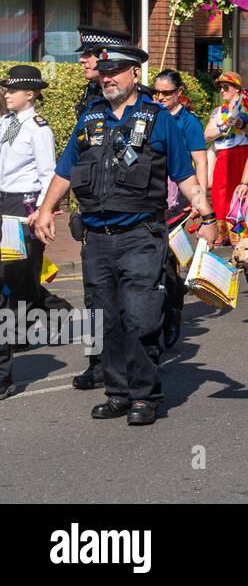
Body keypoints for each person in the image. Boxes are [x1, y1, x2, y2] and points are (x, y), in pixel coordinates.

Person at [33, 38, 219, 425]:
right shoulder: (90, 118)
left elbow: (185, 175)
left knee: (140, 317)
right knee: (105, 320)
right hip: (96, 239)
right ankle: (117, 393)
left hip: (141, 236)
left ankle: (144, 397)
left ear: (136, 73)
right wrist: (47, 209)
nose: (108, 78)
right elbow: (65, 171)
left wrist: (208, 216)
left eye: (116, 71)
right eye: (104, 72)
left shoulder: (159, 119)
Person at [0, 65, 57, 400]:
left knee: (15, 285)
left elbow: (49, 173)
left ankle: (4, 374)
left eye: (12, 89)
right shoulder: (5, 124)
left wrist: (41, 210)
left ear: (31, 93)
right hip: (1, 202)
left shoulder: (38, 129)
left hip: (21, 210)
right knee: (9, 288)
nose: (6, 93)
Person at [151, 69, 209, 349]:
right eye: (157, 92)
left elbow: (201, 161)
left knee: (171, 264)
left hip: (178, 201)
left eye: (167, 93)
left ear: (179, 93)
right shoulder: (149, 115)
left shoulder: (189, 122)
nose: (160, 97)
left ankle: (172, 313)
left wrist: (202, 200)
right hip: (149, 197)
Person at [205, 72, 248, 245]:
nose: (221, 91)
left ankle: (241, 234)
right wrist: (224, 127)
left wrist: (242, 125)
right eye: (220, 87)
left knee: (242, 196)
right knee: (220, 195)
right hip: (225, 156)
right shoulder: (219, 112)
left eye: (225, 87)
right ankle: (223, 233)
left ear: (237, 89)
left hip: (244, 155)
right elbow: (207, 135)